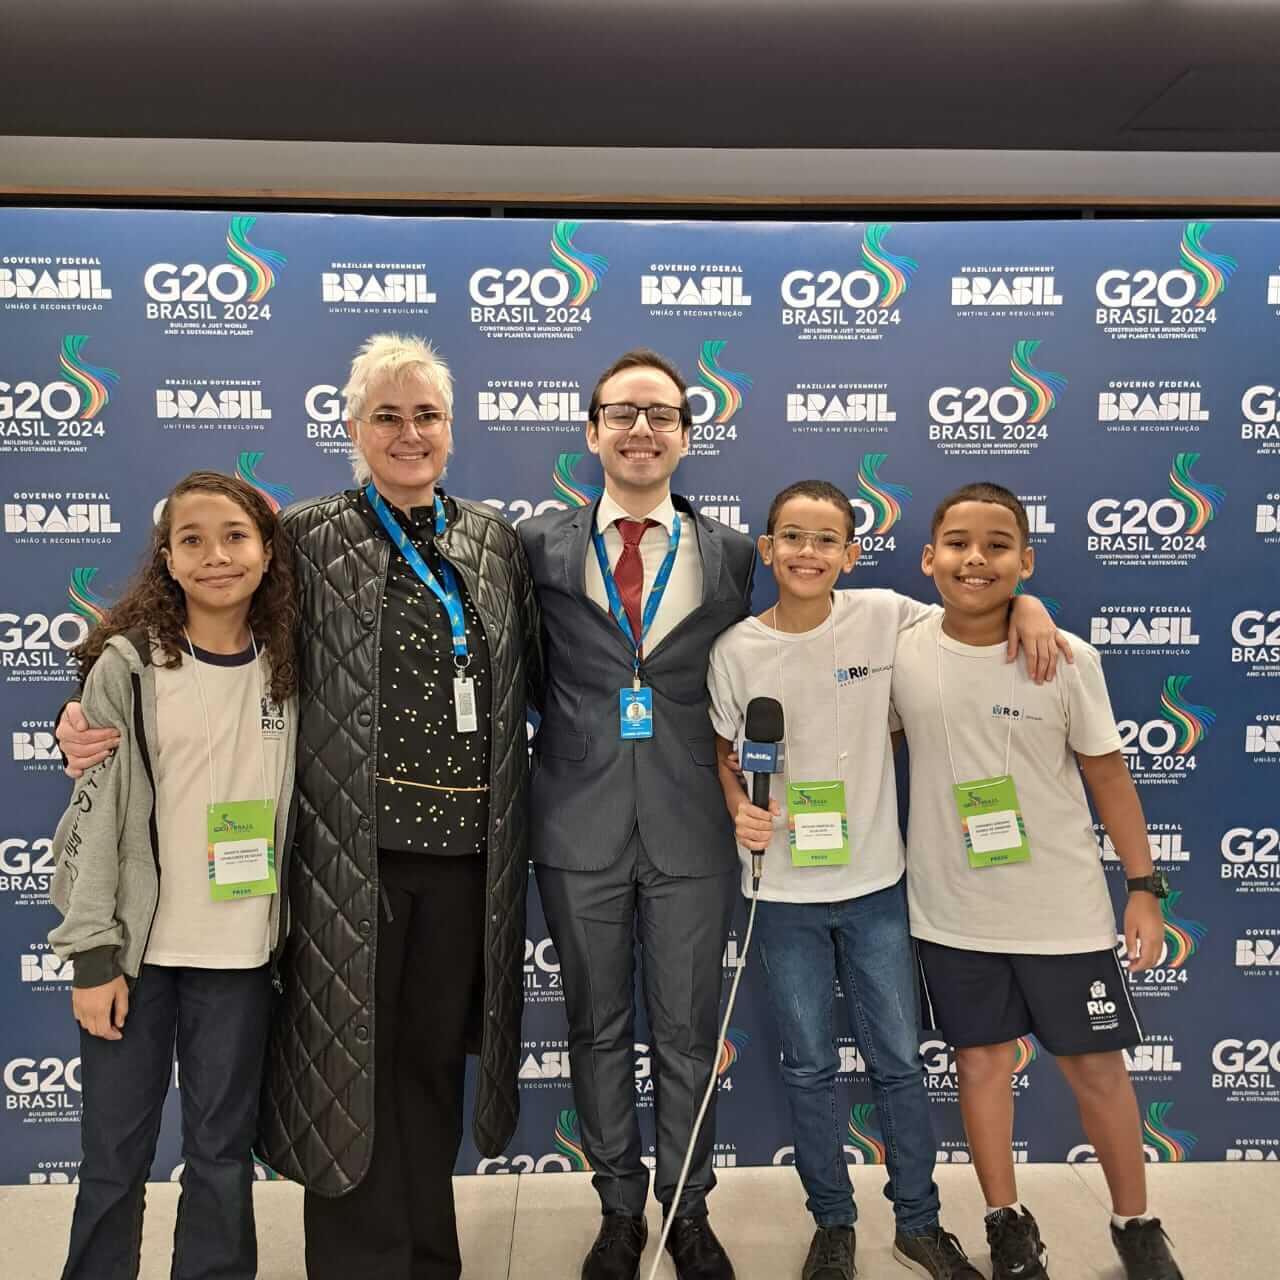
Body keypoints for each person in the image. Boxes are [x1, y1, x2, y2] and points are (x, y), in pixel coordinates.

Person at [56, 333, 542, 1280]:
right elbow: (200, 614)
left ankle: (426, 1258)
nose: (410, 433)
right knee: (349, 1074)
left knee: (432, 1070)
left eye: (427, 416)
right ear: (353, 428)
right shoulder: (310, 535)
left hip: (465, 866)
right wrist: (84, 702)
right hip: (342, 863)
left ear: (452, 429)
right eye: (388, 416)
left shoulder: (492, 542)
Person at [707, 480, 1062, 1280]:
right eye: (792, 537)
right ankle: (832, 1221)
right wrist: (739, 809)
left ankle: (918, 1221)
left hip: (875, 885)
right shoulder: (735, 651)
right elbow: (724, 756)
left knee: (899, 1059)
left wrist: (1030, 608)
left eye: (827, 539)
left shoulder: (885, 615)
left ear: (851, 553)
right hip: (783, 892)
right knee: (807, 1064)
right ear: (767, 550)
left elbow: (976, 610)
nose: (808, 552)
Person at [891, 483, 1183, 1280]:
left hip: (1061, 912)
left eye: (996, 545)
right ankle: (1006, 1221)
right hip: (951, 912)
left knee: (1097, 1070)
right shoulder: (902, 645)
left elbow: (1110, 776)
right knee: (982, 1066)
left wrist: (1144, 885)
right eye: (956, 543)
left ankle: (1136, 1223)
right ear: (928, 557)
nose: (973, 559)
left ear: (1026, 560)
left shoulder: (1066, 656)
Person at [518, 349, 754, 1280]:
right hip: (575, 819)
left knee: (690, 1031)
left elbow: (797, 644)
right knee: (596, 1024)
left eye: (661, 414)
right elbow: (522, 671)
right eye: (622, 414)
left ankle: (685, 1209)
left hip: (695, 818)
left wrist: (1020, 614)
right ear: (592, 433)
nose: (641, 429)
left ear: (687, 436)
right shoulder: (534, 544)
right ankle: (618, 1208)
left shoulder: (735, 553)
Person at [47, 470, 299, 1280]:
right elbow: (89, 823)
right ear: (167, 557)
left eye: (234, 537)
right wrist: (91, 957)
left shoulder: (294, 663)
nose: (215, 556)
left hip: (242, 956)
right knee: (113, 1159)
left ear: (266, 553)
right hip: (134, 959)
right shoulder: (128, 665)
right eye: (191, 540)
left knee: (222, 1157)